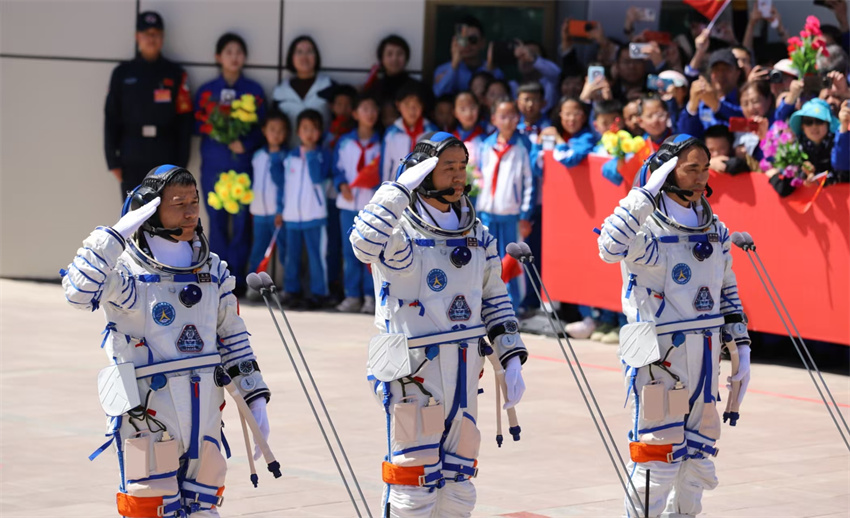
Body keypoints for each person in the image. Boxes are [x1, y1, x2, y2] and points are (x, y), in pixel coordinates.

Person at [61, 165, 272, 517]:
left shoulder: (213, 271)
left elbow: (232, 336)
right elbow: (78, 292)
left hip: (205, 420)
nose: (191, 211)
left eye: (194, 201)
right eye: (179, 203)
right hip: (150, 421)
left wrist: (254, 395)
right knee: (153, 508)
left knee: (205, 510)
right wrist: (114, 237)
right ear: (150, 208)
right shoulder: (129, 275)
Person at [349, 131, 527, 517]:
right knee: (412, 486)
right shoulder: (401, 231)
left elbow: (494, 298)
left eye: (462, 167)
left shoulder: (477, 234)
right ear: (423, 172)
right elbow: (362, 244)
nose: (458, 175)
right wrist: (398, 189)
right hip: (411, 372)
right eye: (448, 168)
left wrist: (510, 357)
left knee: (460, 485)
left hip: (463, 370)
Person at [597, 134, 752, 517]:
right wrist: (646, 192)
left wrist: (741, 348)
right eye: (690, 169)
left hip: (703, 354)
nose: (701, 177)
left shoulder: (715, 229)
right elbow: (608, 247)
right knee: (656, 460)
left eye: (705, 167)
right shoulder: (645, 228)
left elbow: (727, 290)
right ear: (667, 170)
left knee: (697, 459)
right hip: (654, 355)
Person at [195, 32, 267, 296]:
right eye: (229, 52)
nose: (234, 57)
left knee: (241, 224)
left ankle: (236, 277)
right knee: (215, 221)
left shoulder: (254, 91)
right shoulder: (207, 91)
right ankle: (217, 277)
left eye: (239, 52)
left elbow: (264, 130)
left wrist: (245, 144)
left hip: (242, 166)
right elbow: (196, 124)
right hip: (214, 164)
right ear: (218, 57)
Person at [104, 11, 193, 200]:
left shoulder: (175, 74)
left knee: (164, 217)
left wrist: (181, 164)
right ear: (137, 37)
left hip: (165, 152)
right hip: (131, 152)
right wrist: (113, 161)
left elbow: (185, 122)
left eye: (156, 34)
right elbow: (111, 118)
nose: (151, 39)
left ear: (163, 38)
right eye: (146, 34)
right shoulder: (122, 73)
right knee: (133, 217)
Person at [477, 99, 534, 311]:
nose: (508, 120)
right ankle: (489, 302)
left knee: (513, 259)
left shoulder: (523, 146)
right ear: (493, 119)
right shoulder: (486, 145)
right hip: (488, 212)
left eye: (512, 116)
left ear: (518, 118)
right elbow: (480, 176)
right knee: (488, 258)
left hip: (512, 213)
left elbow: (529, 183)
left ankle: (514, 304)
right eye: (503, 116)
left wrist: (525, 215)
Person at [333, 93, 382, 314]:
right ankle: (351, 294)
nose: (369, 113)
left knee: (371, 250)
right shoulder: (344, 142)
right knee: (349, 251)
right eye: (364, 109)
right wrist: (341, 183)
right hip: (348, 203)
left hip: (372, 206)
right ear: (354, 113)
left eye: (373, 109)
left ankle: (370, 296)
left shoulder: (381, 142)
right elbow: (336, 169)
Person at [280, 109, 332, 309]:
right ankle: (291, 290)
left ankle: (319, 293)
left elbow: (317, 178)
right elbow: (282, 184)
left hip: (315, 215)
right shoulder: (289, 157)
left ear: (320, 132)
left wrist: (311, 156)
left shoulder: (322, 155)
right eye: (305, 129)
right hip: (291, 215)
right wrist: (281, 209)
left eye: (314, 129)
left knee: (317, 256)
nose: (310, 133)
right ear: (298, 132)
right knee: (290, 256)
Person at [247, 110, 290, 295]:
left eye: (281, 130)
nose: (276, 134)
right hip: (258, 211)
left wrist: (280, 210)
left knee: (284, 251)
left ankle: (289, 286)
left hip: (277, 213)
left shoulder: (286, 157)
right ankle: (254, 288)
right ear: (264, 130)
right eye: (272, 129)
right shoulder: (257, 155)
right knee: (258, 249)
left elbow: (283, 186)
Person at [272, 35, 333, 147]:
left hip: (323, 155)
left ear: (316, 56)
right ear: (291, 57)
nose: (304, 57)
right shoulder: (280, 91)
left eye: (309, 51)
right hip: (289, 156)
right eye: (299, 52)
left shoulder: (328, 85)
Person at [364, 34, 428, 129]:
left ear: (406, 57)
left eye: (399, 54)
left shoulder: (418, 88)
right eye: (389, 54)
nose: (394, 58)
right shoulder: (374, 88)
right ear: (382, 58)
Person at [381, 83, 438, 184]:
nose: (412, 109)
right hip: (397, 186)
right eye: (407, 104)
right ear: (398, 105)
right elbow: (385, 165)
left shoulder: (431, 132)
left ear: (422, 106)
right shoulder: (391, 133)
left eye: (416, 104)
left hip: (423, 188)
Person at [433, 15, 504, 97]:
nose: (467, 45)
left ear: (482, 43)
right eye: (462, 40)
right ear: (455, 42)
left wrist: (489, 71)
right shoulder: (443, 70)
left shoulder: (494, 70)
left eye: (473, 40)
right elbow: (437, 95)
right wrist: (453, 66)